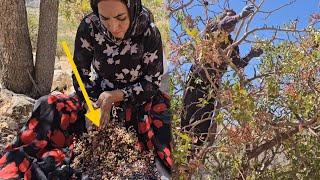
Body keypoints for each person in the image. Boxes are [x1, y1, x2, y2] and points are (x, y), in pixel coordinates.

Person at [0, 0, 173, 179]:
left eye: (121, 17)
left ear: (132, 8)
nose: (113, 27)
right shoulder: (89, 26)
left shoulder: (148, 31)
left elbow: (152, 82)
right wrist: (89, 104)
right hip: (97, 98)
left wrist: (115, 96)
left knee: (167, 130)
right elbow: (80, 75)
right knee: (48, 105)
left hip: (138, 100)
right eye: (105, 18)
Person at [181, 5, 263, 145]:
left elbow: (238, 64)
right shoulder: (212, 28)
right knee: (188, 114)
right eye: (228, 16)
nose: (231, 20)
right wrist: (238, 17)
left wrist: (251, 55)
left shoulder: (232, 45)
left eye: (233, 17)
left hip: (212, 85)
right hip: (197, 77)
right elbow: (222, 25)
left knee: (204, 121)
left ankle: (194, 152)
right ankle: (181, 148)